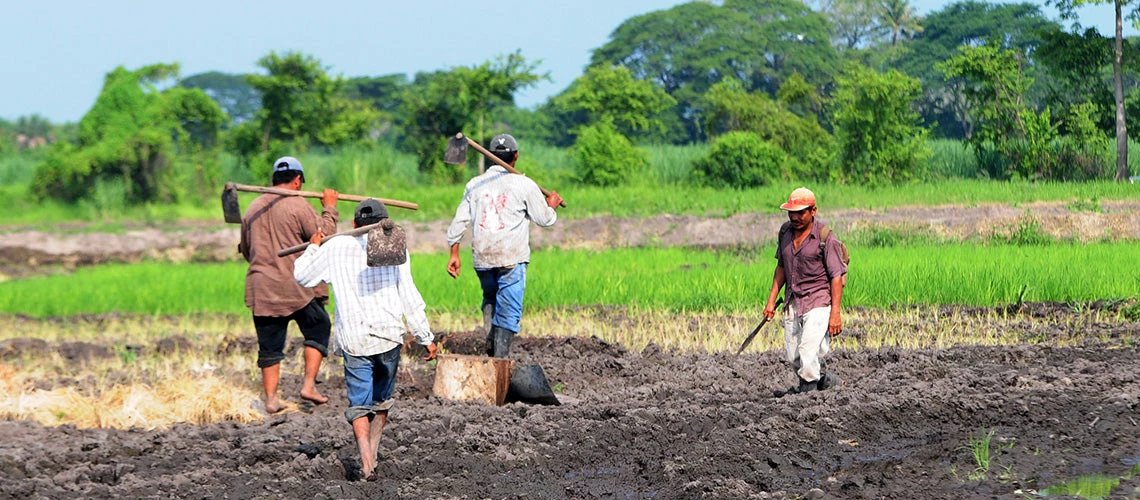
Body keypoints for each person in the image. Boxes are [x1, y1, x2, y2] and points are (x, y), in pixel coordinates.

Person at [293, 199, 438, 480]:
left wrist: (313, 245)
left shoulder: (334, 247)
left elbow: (301, 275)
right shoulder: (396, 246)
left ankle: (366, 460)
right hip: (388, 337)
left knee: (360, 402)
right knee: (382, 400)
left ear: (355, 224)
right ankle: (373, 448)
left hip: (355, 338)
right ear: (386, 223)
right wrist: (425, 337)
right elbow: (409, 295)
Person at [445, 133, 563, 358]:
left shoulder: (474, 185)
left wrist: (454, 253)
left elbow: (459, 222)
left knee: (490, 298)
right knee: (508, 309)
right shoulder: (525, 184)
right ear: (516, 156)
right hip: (511, 259)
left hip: (483, 260)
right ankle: (499, 360)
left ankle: (491, 349)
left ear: (491, 157)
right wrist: (552, 205)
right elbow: (544, 219)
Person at [238, 156, 339, 413]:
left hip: (263, 287)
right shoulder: (298, 205)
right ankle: (308, 386)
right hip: (297, 286)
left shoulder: (252, 208)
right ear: (297, 180)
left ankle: (271, 400)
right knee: (319, 327)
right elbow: (322, 236)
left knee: (269, 345)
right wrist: (329, 208)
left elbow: (247, 250)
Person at [763, 187, 847, 396]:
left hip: (818, 301)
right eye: (792, 212)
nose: (795, 217)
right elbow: (781, 268)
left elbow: (836, 276)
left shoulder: (826, 238)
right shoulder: (785, 233)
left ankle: (808, 402)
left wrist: (835, 313)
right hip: (793, 300)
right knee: (794, 358)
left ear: (813, 211)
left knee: (808, 355)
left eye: (801, 212)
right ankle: (827, 382)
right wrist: (771, 301)